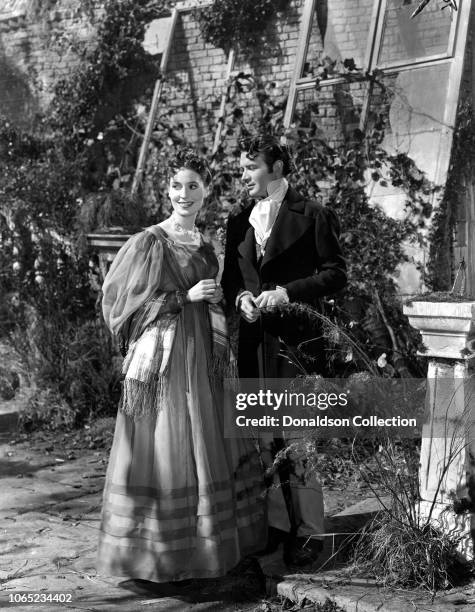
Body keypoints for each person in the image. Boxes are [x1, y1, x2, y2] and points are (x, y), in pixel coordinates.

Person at [96, 148, 266, 583]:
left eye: (193, 186)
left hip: (205, 357)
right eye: (177, 186)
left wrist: (218, 299)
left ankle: (205, 544)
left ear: (206, 191)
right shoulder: (151, 241)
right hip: (167, 366)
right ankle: (159, 554)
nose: (184, 194)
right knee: (168, 446)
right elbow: (119, 307)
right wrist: (183, 298)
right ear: (166, 190)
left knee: (204, 445)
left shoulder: (207, 244)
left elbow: (220, 297)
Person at [222, 135, 347, 566]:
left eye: (250, 167)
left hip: (295, 344)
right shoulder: (238, 220)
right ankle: (277, 527)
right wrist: (240, 299)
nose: (243, 176)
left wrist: (288, 293)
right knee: (263, 440)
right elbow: (230, 282)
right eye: (242, 168)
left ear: (276, 168)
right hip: (253, 344)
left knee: (298, 441)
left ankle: (311, 532)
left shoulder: (313, 215)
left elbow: (336, 274)